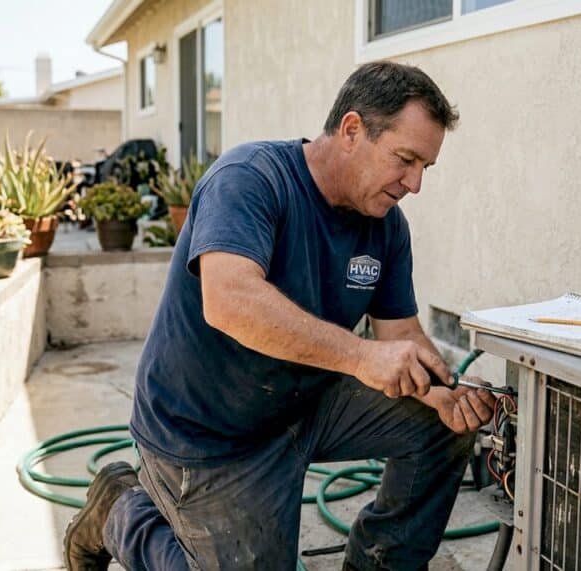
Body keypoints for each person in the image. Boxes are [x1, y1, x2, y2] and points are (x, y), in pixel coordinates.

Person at [63, 61, 498, 571]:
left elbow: (400, 331)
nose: (416, 183)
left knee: (440, 423)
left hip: (306, 402)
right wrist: (360, 356)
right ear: (353, 130)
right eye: (405, 159)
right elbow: (229, 301)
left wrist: (443, 391)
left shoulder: (387, 227)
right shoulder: (250, 180)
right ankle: (122, 509)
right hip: (208, 430)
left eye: (425, 166)